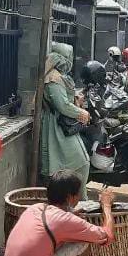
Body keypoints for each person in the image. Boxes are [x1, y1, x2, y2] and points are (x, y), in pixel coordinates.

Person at [40, 42, 91, 196]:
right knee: (79, 164)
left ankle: (77, 198)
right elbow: (62, 105)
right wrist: (81, 113)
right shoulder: (53, 78)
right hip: (57, 127)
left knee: (81, 163)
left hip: (63, 126)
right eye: (69, 57)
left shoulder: (59, 77)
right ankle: (77, 199)